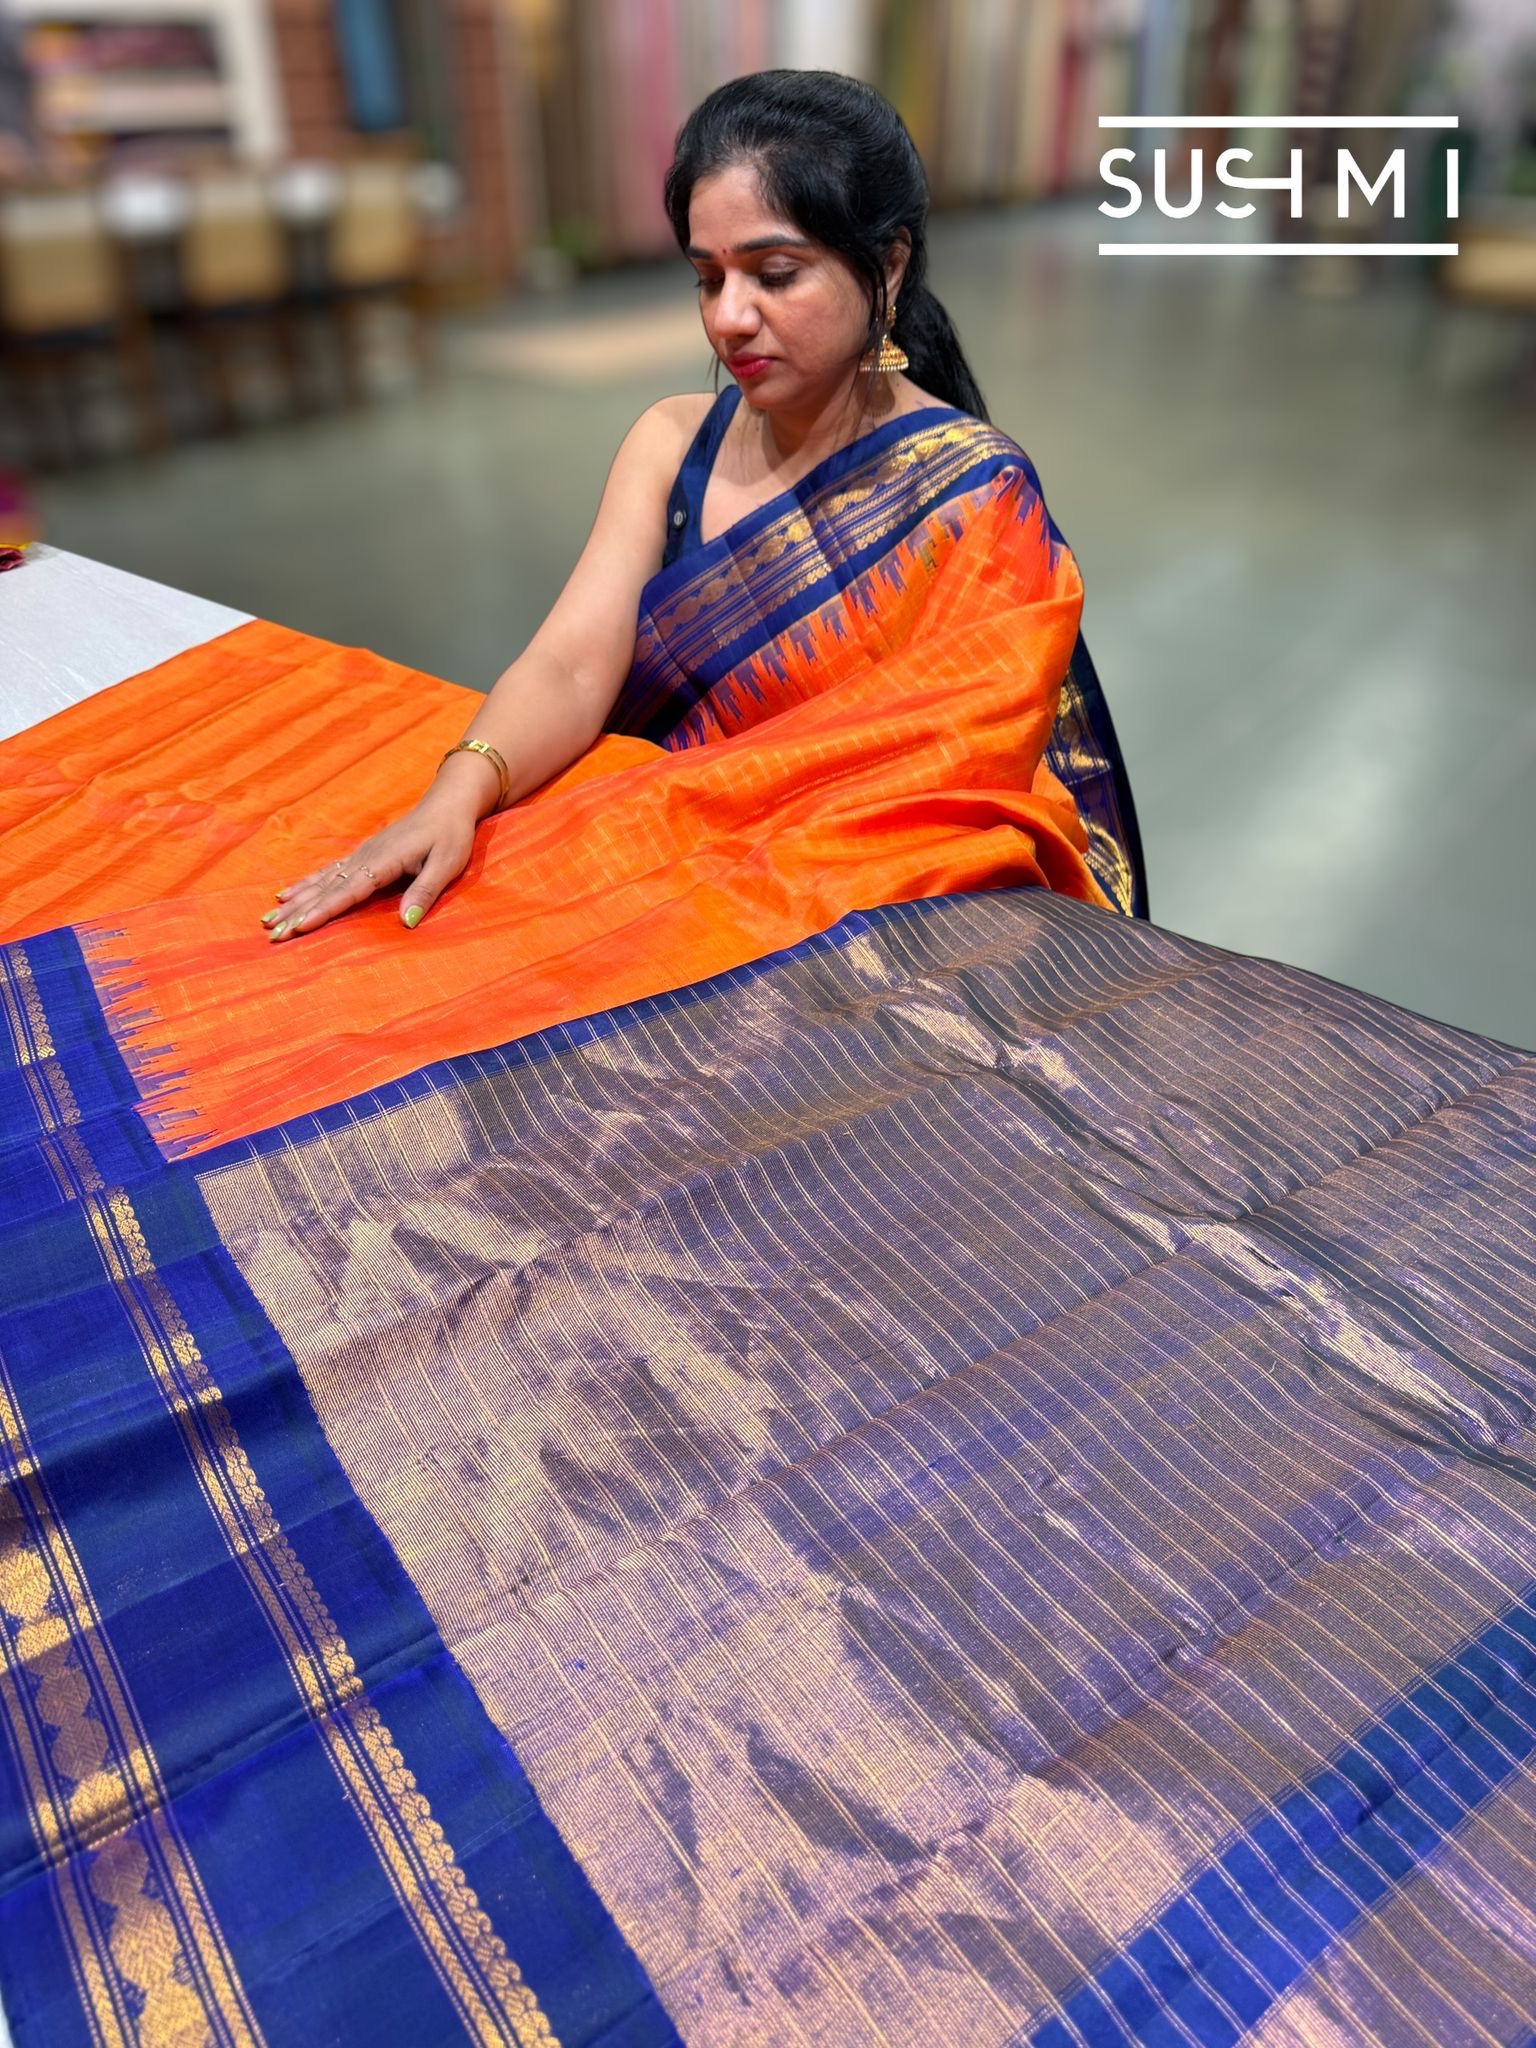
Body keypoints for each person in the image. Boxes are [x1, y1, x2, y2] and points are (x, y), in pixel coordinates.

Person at [266, 67, 1143, 949]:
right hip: (652, 877)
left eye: (774, 273)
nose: (729, 318)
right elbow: (572, 667)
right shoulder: (671, 442)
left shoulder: (972, 497)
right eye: (706, 277)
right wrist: (456, 796)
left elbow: (955, 793)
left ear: (889, 263)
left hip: (851, 923)